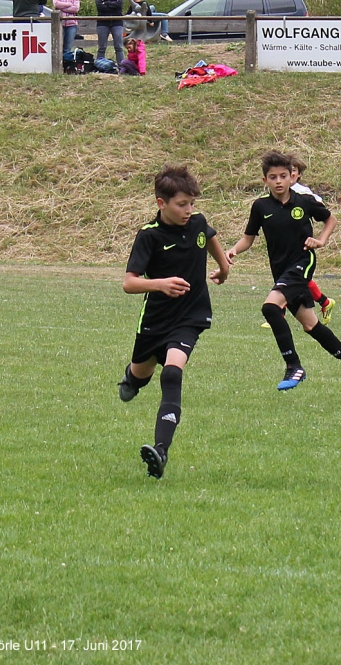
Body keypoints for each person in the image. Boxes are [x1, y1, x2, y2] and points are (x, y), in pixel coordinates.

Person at [118, 165, 230, 480]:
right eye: (182, 204)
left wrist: (223, 268)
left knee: (171, 372)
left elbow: (210, 239)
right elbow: (129, 283)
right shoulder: (149, 235)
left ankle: (161, 451)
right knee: (139, 376)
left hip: (190, 316)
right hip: (155, 319)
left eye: (192, 203)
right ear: (161, 203)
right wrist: (161, 284)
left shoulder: (197, 223)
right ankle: (132, 378)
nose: (189, 210)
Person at [226, 150, 341, 392]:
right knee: (310, 325)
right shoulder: (260, 206)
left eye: (283, 176)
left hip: (302, 262)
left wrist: (321, 240)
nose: (278, 181)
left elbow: (330, 220)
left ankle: (294, 366)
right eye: (273, 177)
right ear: (265, 180)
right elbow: (248, 238)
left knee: (270, 308)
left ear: (292, 177)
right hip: (281, 271)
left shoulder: (304, 201)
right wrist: (233, 250)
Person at [288, 155, 336, 325]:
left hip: (301, 249)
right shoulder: (275, 195)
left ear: (298, 174)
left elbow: (326, 214)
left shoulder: (303, 194)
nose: (290, 174)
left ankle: (277, 313)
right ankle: (324, 302)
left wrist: (320, 240)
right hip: (283, 248)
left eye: (293, 171)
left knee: (290, 281)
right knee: (298, 281)